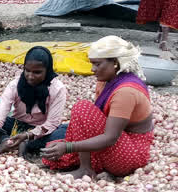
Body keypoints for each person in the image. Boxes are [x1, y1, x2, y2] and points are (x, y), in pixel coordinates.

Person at [41, 36, 154, 180]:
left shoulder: (125, 92)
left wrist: (69, 147)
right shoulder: (106, 80)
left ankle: (86, 169)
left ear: (115, 63)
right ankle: (95, 167)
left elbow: (110, 137)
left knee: (82, 108)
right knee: (52, 153)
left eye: (97, 64)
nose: (92, 69)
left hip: (130, 154)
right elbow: (94, 123)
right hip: (118, 142)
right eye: (92, 64)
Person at [0, 46, 68, 156]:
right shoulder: (15, 85)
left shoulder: (57, 89)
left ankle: (25, 144)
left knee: (64, 131)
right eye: (27, 70)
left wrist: (27, 135)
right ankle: (7, 141)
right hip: (16, 126)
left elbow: (51, 124)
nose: (30, 76)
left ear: (47, 71)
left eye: (37, 72)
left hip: (40, 133)